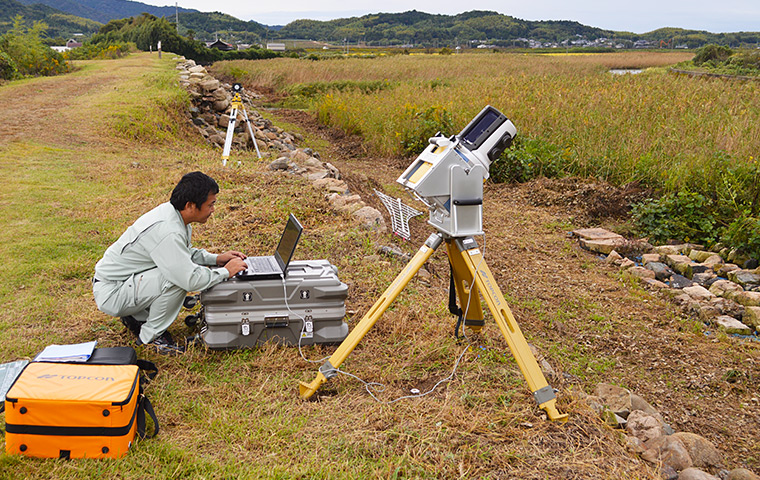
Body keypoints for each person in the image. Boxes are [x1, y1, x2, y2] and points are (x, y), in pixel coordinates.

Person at [93, 171, 247, 354]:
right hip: (112, 292)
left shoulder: (174, 215)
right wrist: (225, 272)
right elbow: (189, 279)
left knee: (177, 271)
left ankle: (137, 316)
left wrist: (216, 259)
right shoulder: (168, 230)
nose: (213, 210)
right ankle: (150, 338)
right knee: (176, 279)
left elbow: (181, 254)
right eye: (210, 204)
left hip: (123, 282)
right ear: (190, 205)